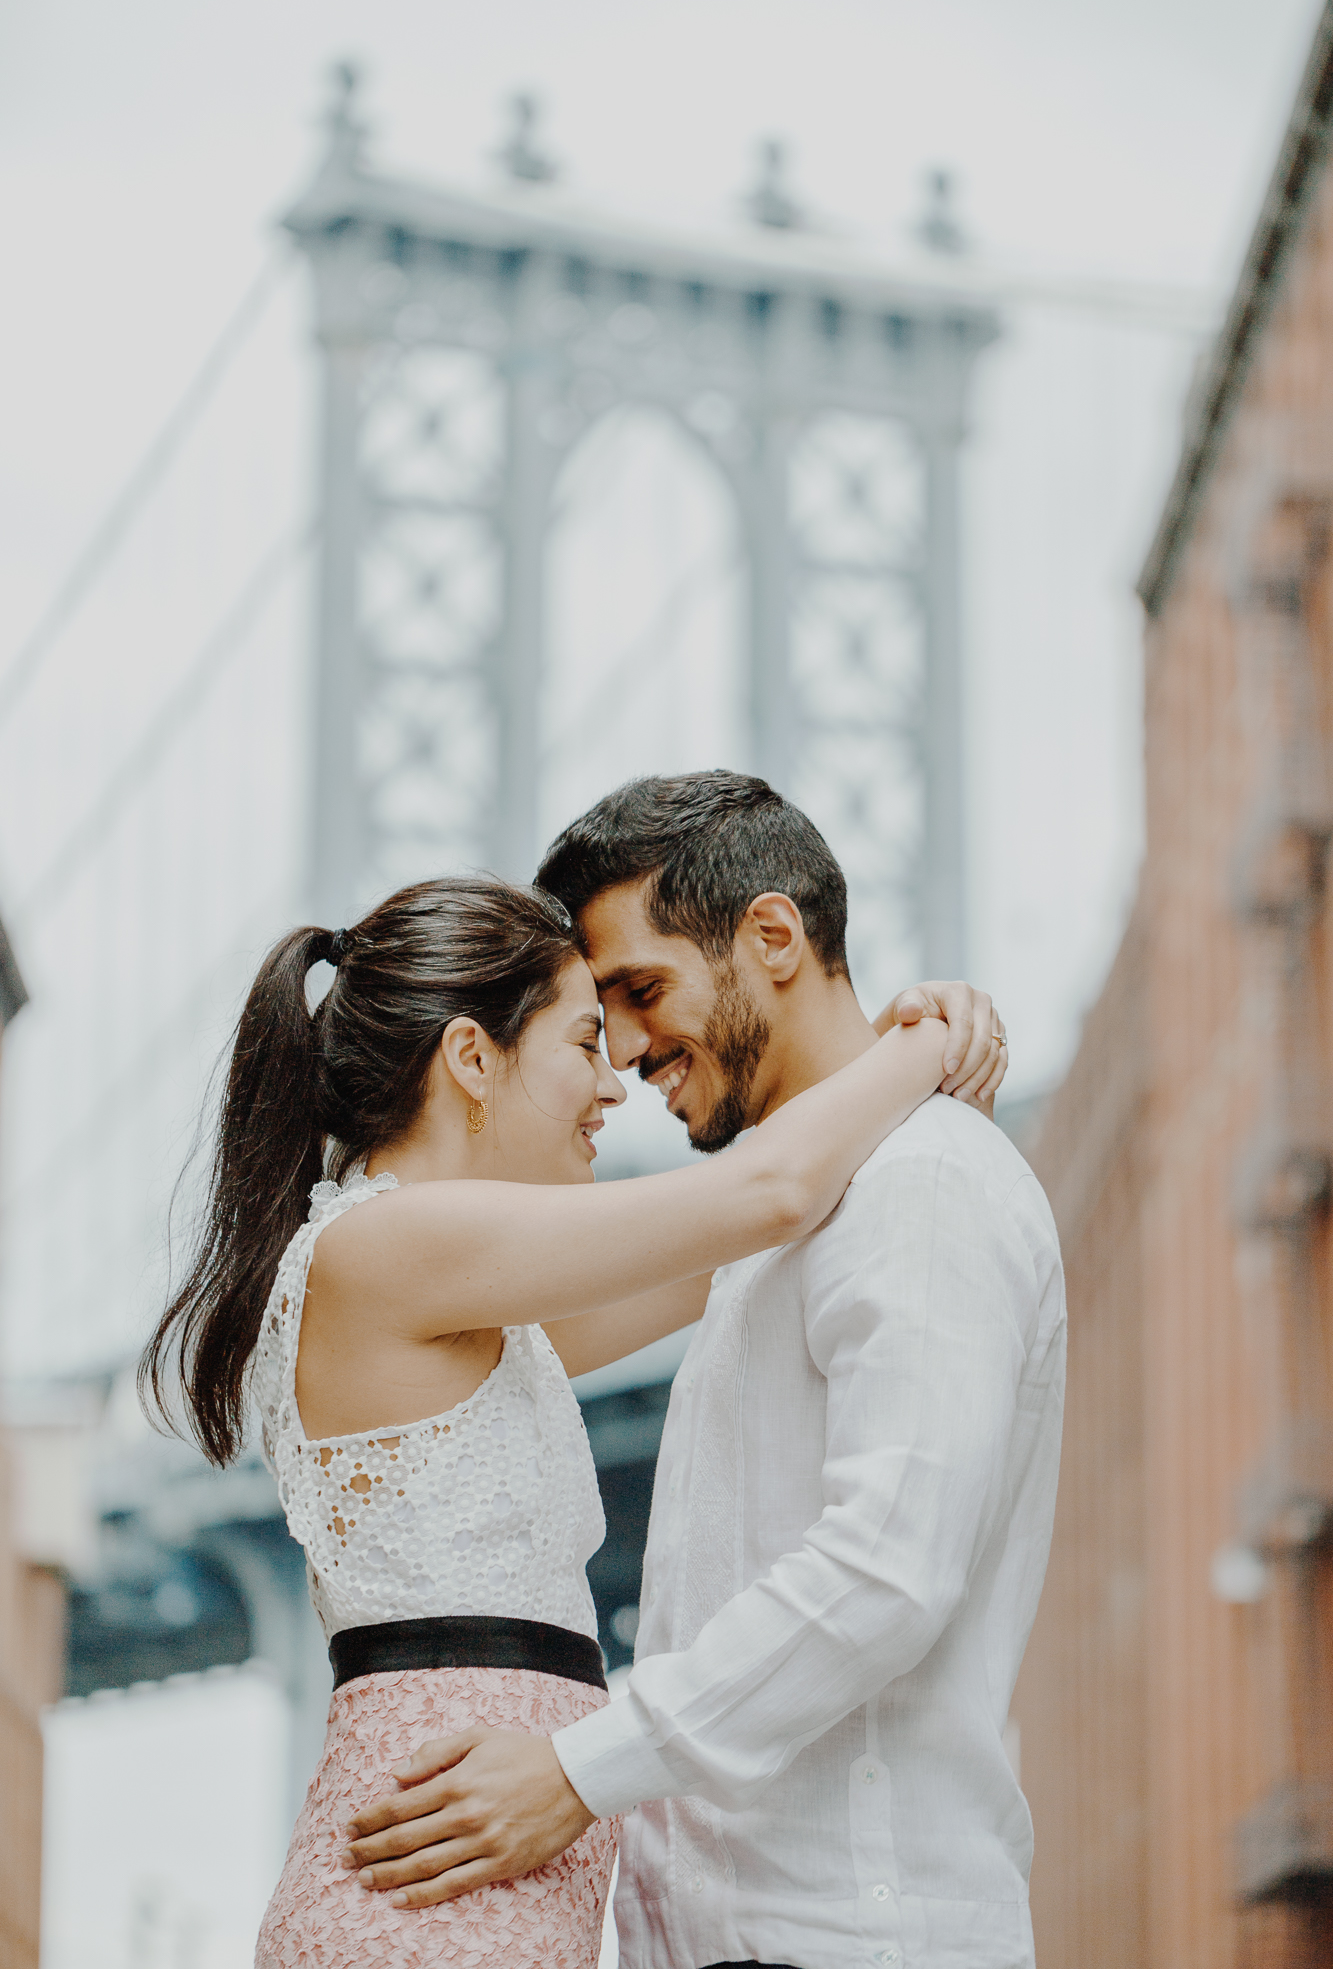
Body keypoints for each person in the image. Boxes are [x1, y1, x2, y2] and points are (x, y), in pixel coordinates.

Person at [140, 870, 994, 1969]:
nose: (615, 1086)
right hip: (429, 1902)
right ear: (470, 1057)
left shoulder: (474, 1303)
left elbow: (740, 1248)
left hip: (480, 1882)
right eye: (586, 1042)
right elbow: (766, 1193)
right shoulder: (392, 1245)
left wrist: (865, 1068)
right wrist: (928, 1040)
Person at [342, 772, 1064, 1969]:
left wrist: (581, 1768)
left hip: (849, 1932)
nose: (624, 1052)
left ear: (772, 936)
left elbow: (888, 1567)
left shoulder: (920, 1185)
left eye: (638, 989)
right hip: (722, 1939)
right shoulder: (765, 1230)